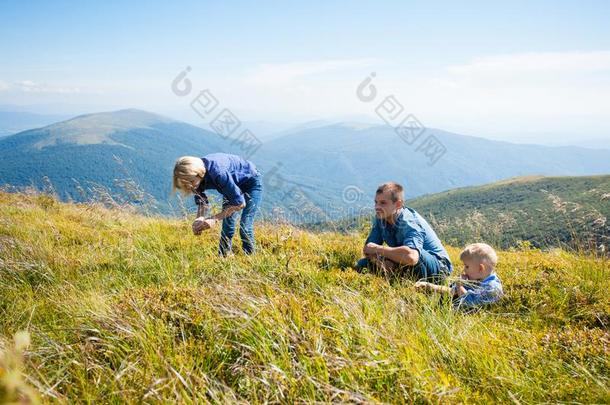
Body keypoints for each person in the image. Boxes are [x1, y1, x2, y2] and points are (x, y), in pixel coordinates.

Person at [355, 182, 452, 282]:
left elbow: (412, 257)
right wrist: (382, 263)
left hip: (438, 267)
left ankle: (409, 285)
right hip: (403, 260)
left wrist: (378, 249)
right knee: (362, 264)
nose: (377, 207)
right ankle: (398, 278)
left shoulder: (409, 222)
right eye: (376, 202)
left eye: (383, 203)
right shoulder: (381, 218)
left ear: (398, 204)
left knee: (416, 255)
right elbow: (368, 248)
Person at [172, 153, 262, 256]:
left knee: (244, 227)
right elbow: (203, 203)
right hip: (231, 185)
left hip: (251, 182)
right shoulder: (193, 178)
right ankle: (223, 258)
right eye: (186, 184)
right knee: (228, 226)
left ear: (199, 173)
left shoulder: (218, 172)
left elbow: (240, 204)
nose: (190, 186)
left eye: (192, 181)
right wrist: (199, 219)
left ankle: (251, 258)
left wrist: (214, 219)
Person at [415, 242, 504, 309]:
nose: (464, 269)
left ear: (481, 268)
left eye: (467, 266)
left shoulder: (491, 288)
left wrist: (459, 285)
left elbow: (470, 300)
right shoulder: (477, 279)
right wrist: (430, 286)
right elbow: (453, 291)